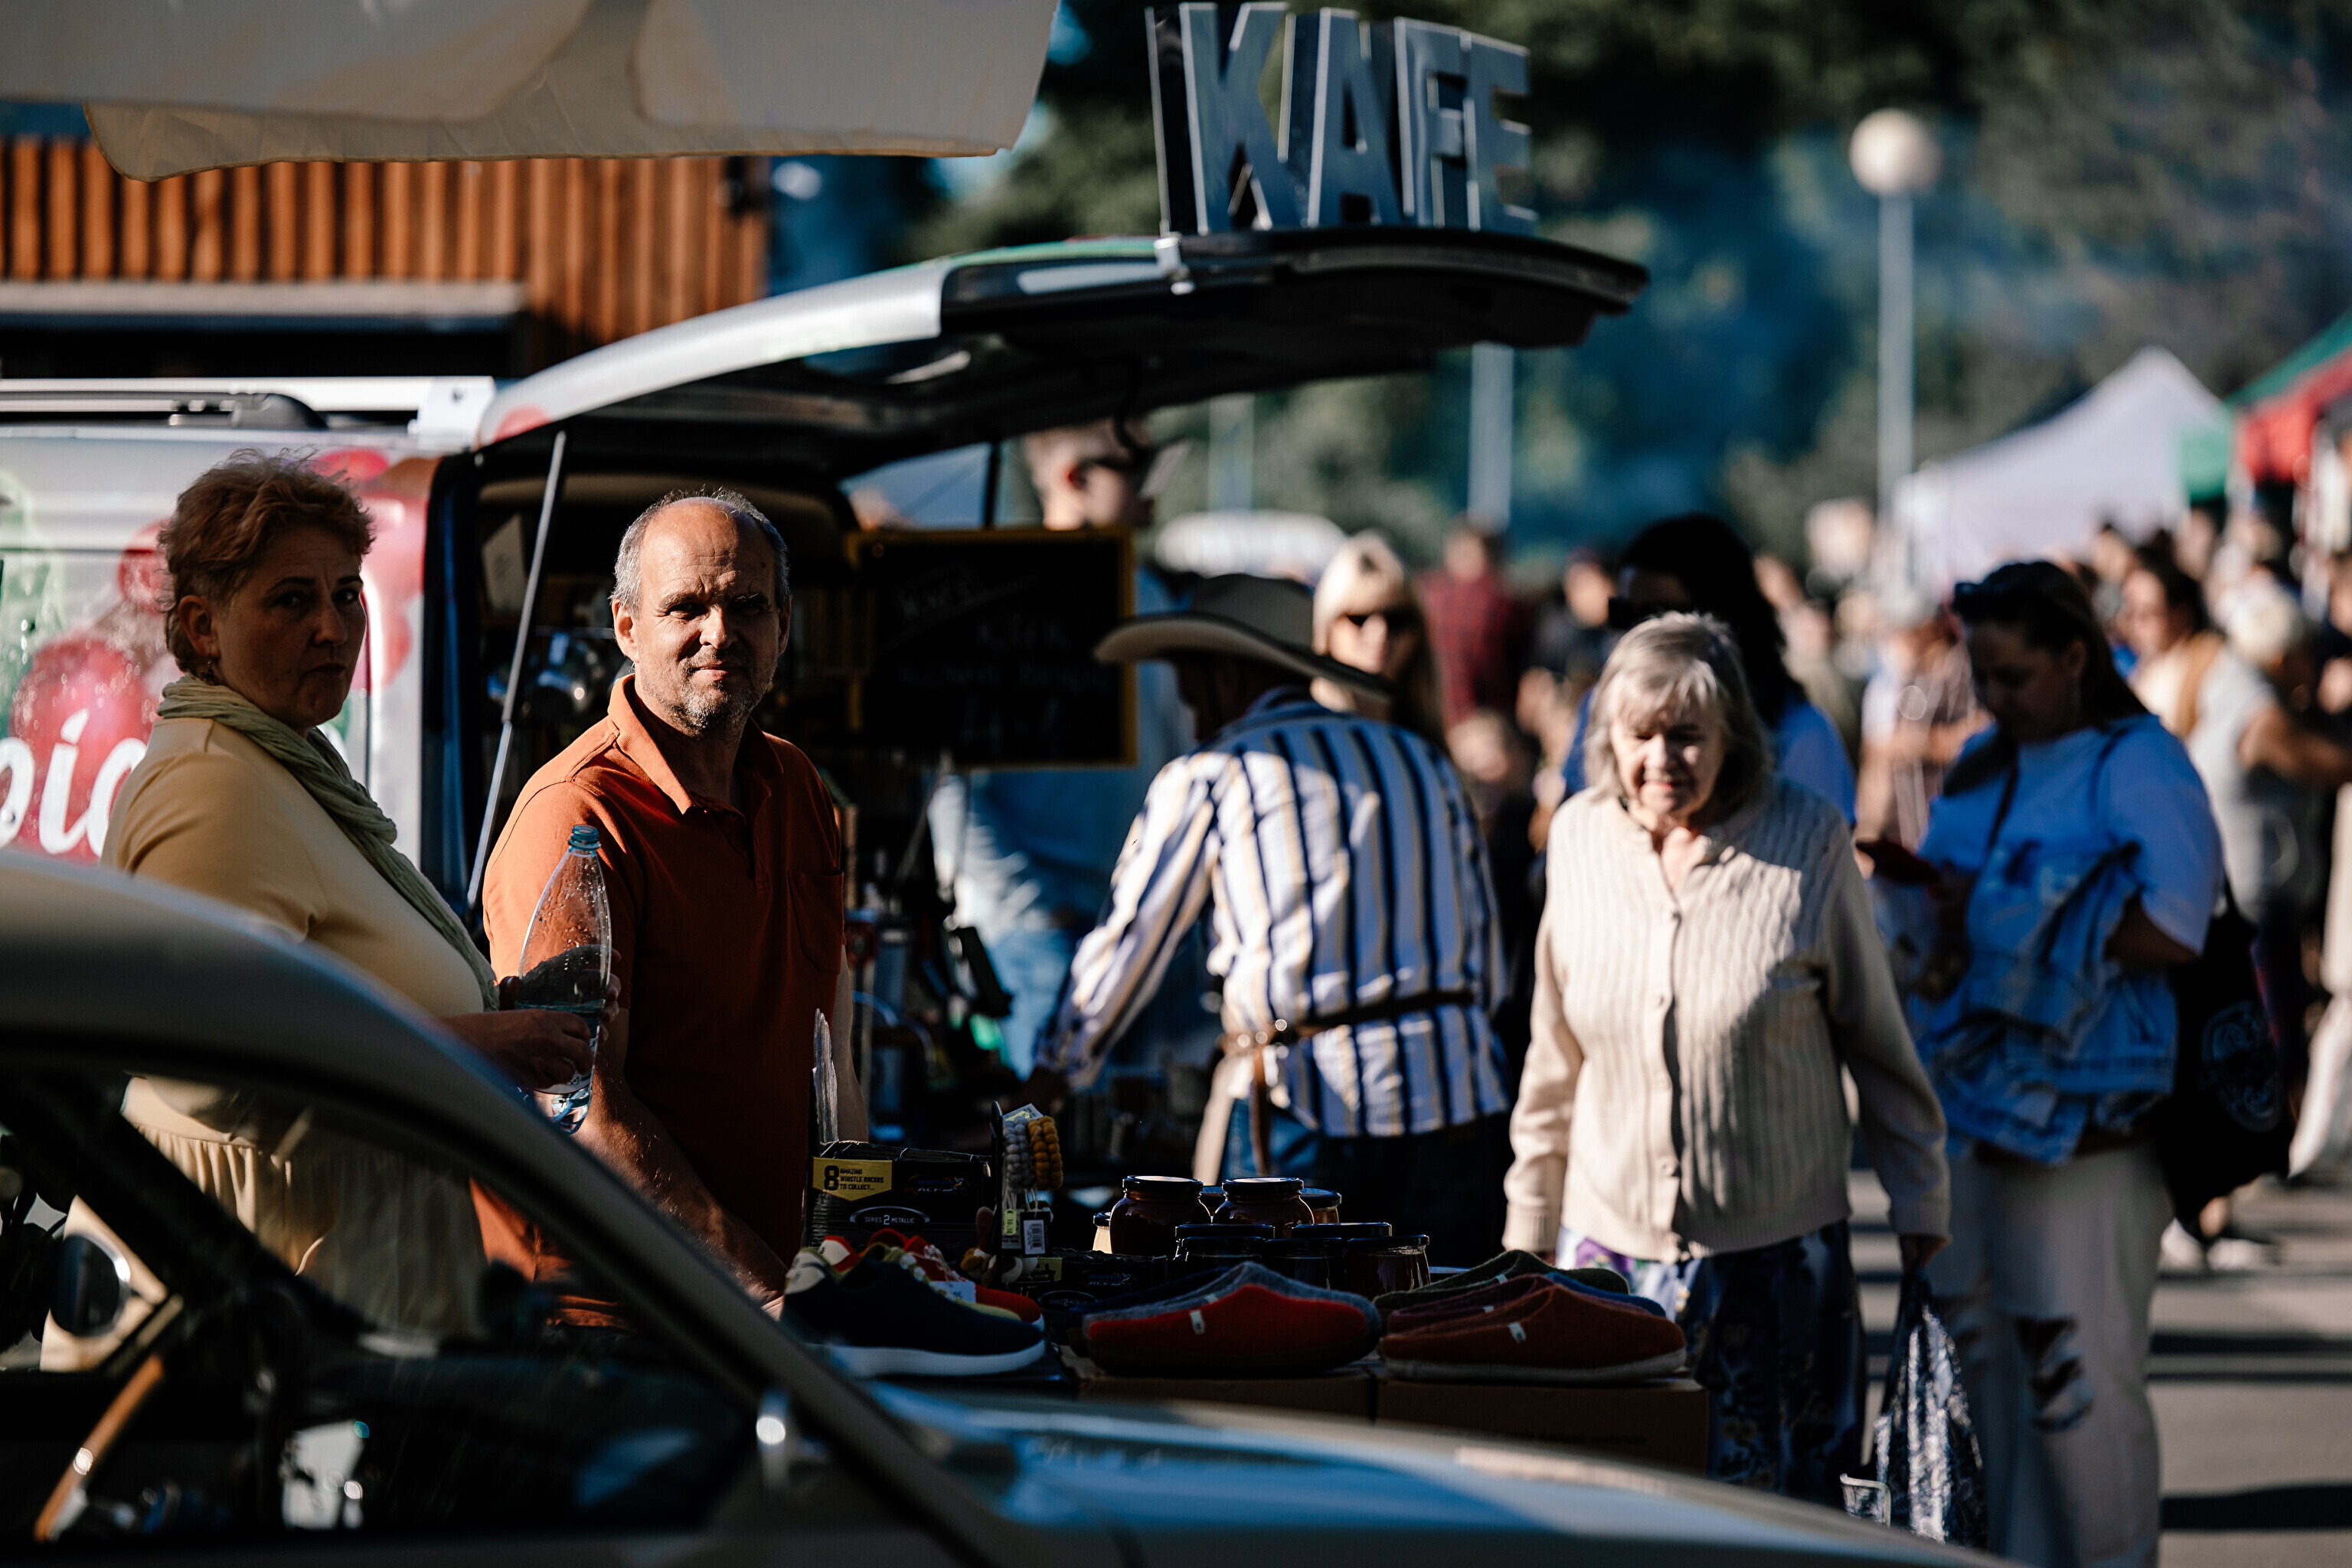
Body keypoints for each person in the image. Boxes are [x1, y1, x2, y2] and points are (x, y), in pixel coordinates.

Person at [103, 451, 593, 1334]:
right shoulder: (214, 784)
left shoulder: (276, 756)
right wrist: (471, 1046)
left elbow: (332, 991)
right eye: (292, 600)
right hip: (261, 1311)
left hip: (322, 1288)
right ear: (203, 626)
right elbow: (213, 1073)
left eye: (346, 594)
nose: (332, 628)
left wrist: (488, 1010)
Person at [1504, 613, 1949, 1504]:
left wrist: (1922, 1207)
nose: (1661, 758)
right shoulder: (1580, 838)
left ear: (1733, 736)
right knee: (1611, 1514)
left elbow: (1879, 1045)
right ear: (1606, 736)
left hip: (1775, 1262)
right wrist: (1527, 1232)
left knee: (1775, 1523)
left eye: (1687, 734)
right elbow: (1552, 1060)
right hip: (1606, 1262)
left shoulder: (1807, 838)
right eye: (1640, 734)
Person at [1032, 573, 1512, 1264]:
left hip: (1306, 1104)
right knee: (1439, 1314)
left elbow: (1126, 946)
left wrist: (1045, 1086)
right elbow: (1487, 956)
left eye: (1190, 688)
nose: (1191, 711)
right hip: (1456, 1097)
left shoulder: (1213, 772)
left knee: (1278, 1320)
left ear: (1225, 675)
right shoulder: (1423, 759)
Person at [484, 488, 864, 1316]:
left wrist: (859, 1251)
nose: (719, 633)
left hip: (772, 1309)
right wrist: (765, 1292)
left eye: (748, 606)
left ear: (784, 625)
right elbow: (580, 1107)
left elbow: (832, 1054)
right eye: (686, 607)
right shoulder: (577, 815)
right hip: (620, 1323)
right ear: (627, 628)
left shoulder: (798, 786)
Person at [1914, 560, 2223, 1568]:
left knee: (2079, 1378)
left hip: (2092, 1125)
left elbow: (2177, 922)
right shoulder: (1985, 761)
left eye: (2015, 676)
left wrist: (2011, 917)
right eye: (1984, 676)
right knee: (1992, 1364)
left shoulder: (2139, 761)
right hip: (1978, 1103)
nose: (1995, 698)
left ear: (2077, 656)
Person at [925, 419, 1197, 1076]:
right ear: (1076, 477)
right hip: (1039, 938)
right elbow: (944, 781)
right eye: (1137, 470)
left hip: (1138, 929)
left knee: (1132, 1128)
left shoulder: (1149, 596)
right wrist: (1026, 905)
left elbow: (1180, 761)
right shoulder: (998, 600)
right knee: (1048, 1127)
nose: (1152, 494)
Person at [1560, 513, 1856, 818]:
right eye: (1623, 613)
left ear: (1720, 617)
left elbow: (1825, 840)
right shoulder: (1600, 707)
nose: (1637, 632)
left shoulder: (1798, 731)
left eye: (1656, 615)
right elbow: (1571, 823)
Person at [1854, 588, 1981, 850]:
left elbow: (1987, 732)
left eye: (1906, 631)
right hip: (1906, 839)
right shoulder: (1910, 678)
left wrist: (1927, 744)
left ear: (1930, 628)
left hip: (1957, 841)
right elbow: (1880, 759)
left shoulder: (1966, 671)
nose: (1898, 639)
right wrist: (1868, 830)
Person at [1311, 531, 1446, 749]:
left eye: (1397, 620)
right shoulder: (1305, 738)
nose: (1380, 633)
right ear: (1328, 625)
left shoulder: (1426, 748)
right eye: (1360, 618)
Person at [1418, 522, 1531, 729]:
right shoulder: (1504, 602)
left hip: (1434, 721)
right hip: (1491, 724)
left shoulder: (1425, 595)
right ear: (1493, 558)